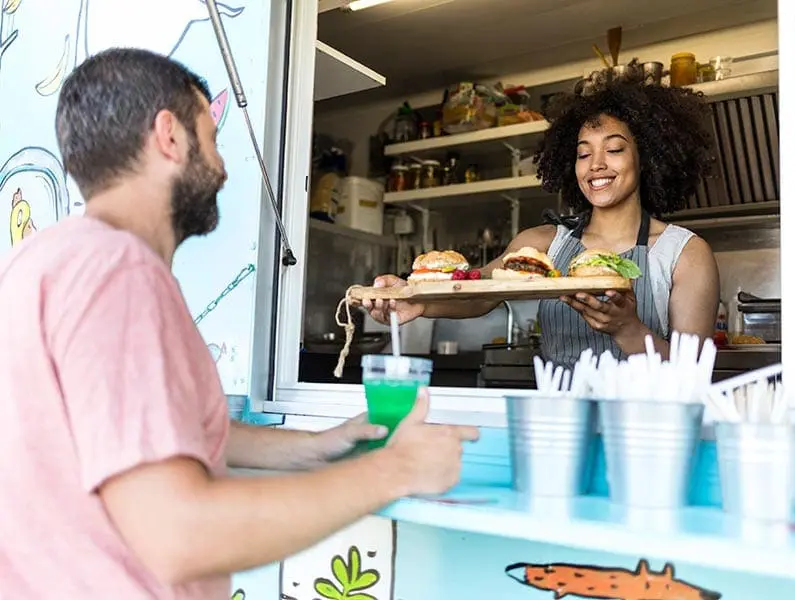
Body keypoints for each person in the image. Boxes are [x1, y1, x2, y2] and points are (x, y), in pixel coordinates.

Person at [0, 48, 478, 598]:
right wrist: (397, 470)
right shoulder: (120, 273)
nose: (222, 167)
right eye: (212, 139)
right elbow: (179, 534)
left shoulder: (37, 262)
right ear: (170, 136)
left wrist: (319, 443)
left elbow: (148, 436)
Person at [365, 69, 720, 366]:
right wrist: (415, 300)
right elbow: (478, 292)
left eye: (613, 150)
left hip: (645, 434)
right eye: (583, 154)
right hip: (557, 426)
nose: (596, 164)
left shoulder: (684, 254)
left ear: (647, 158)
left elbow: (692, 377)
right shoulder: (541, 244)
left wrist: (628, 329)